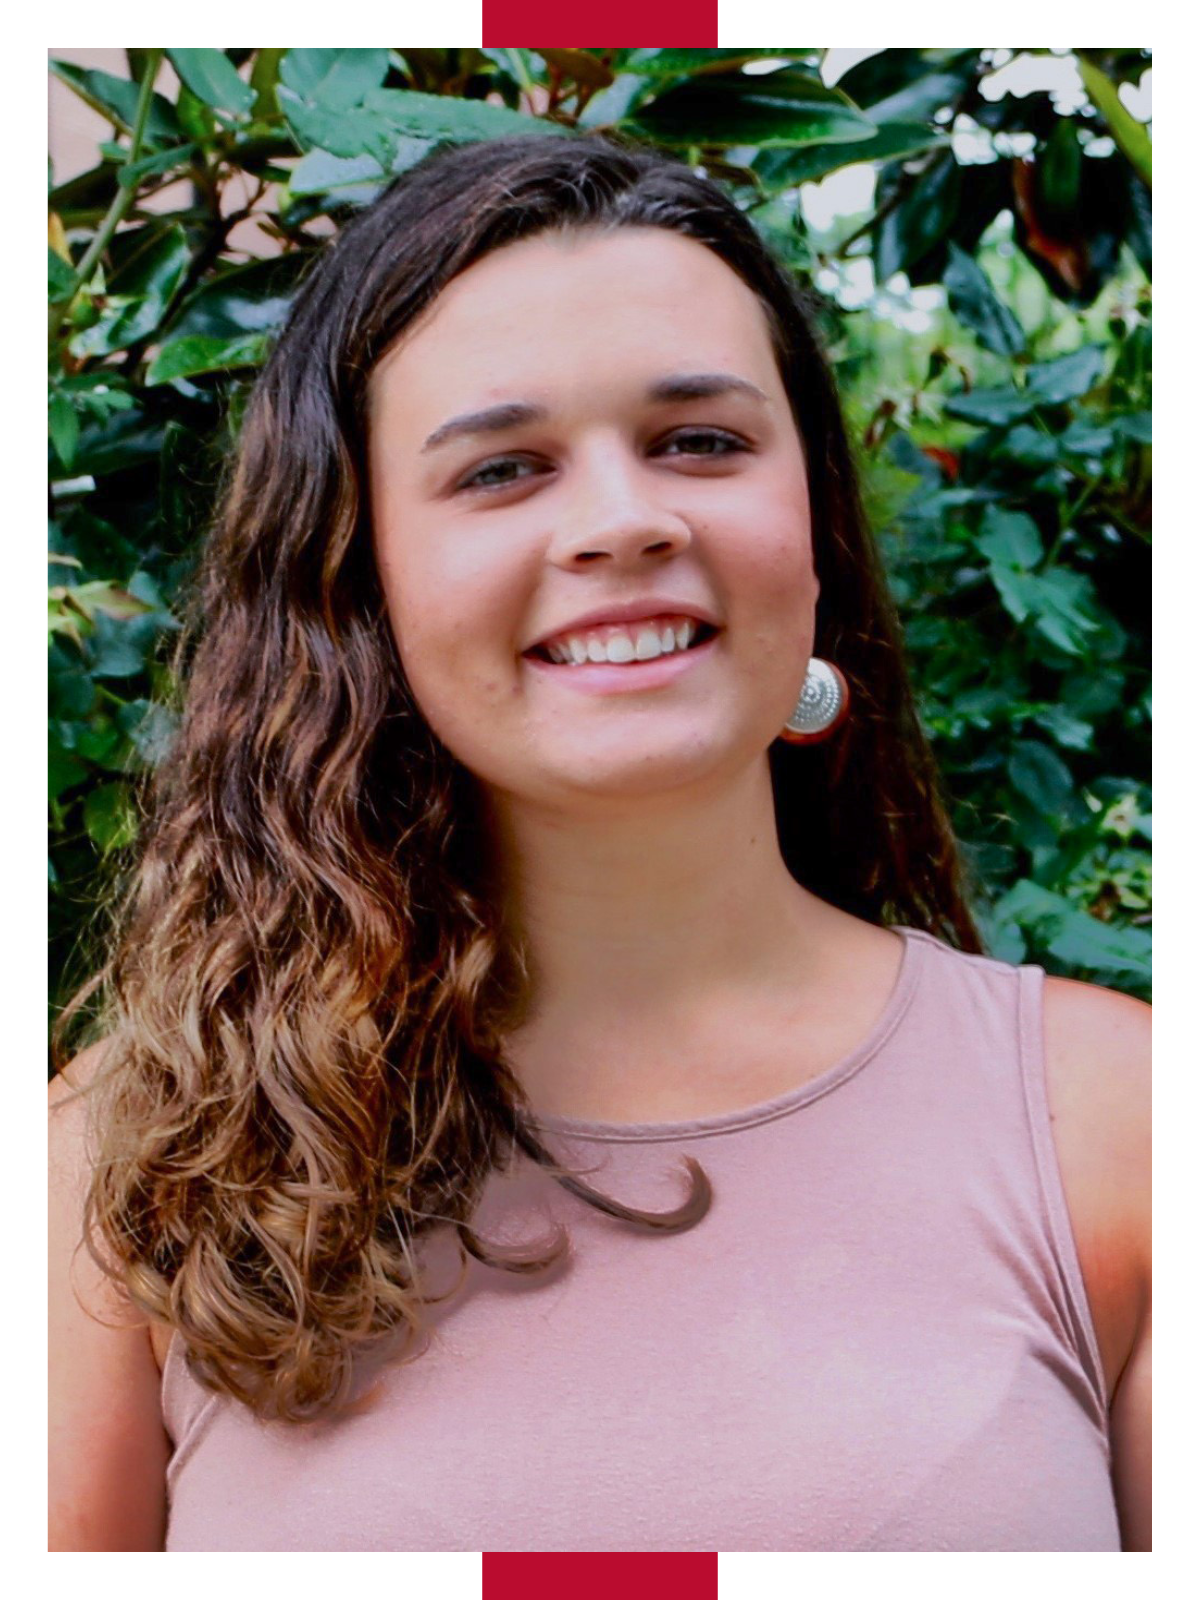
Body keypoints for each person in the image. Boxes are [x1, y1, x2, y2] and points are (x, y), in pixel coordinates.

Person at [48, 132, 1150, 1553]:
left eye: (701, 441)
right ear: (357, 578)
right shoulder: (114, 1175)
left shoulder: (1126, 1129)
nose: (624, 521)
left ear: (811, 520)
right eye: (503, 469)